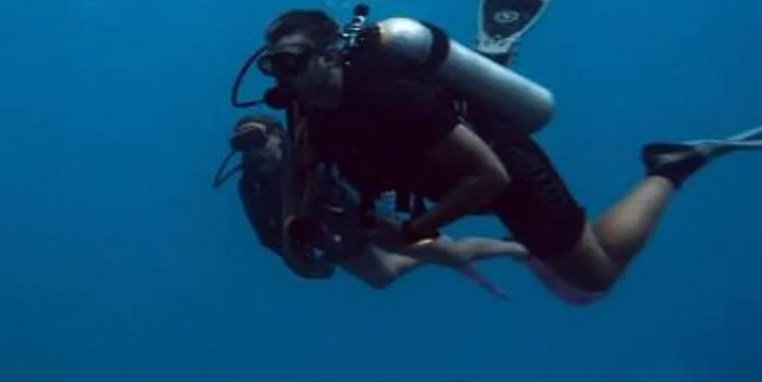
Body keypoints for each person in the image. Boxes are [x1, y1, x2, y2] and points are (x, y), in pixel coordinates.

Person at [239, 0, 762, 303]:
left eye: (292, 62)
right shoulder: (303, 104)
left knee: (595, 277)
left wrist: (421, 227)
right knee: (561, 267)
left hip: (503, 168)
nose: (282, 77)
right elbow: (301, 165)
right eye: (273, 65)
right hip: (443, 177)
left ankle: (671, 167)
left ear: (327, 56)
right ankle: (493, 59)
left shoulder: (391, 97)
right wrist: (294, 221)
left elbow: (490, 176)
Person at [217, 112, 528, 293]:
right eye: (242, 145)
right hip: (332, 232)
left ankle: (519, 247)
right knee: (382, 278)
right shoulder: (252, 185)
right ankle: (433, 252)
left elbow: (354, 174)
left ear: (277, 136)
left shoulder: (309, 154)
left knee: (454, 255)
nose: (253, 152)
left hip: (370, 216)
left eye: (257, 140)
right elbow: (266, 232)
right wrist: (301, 257)